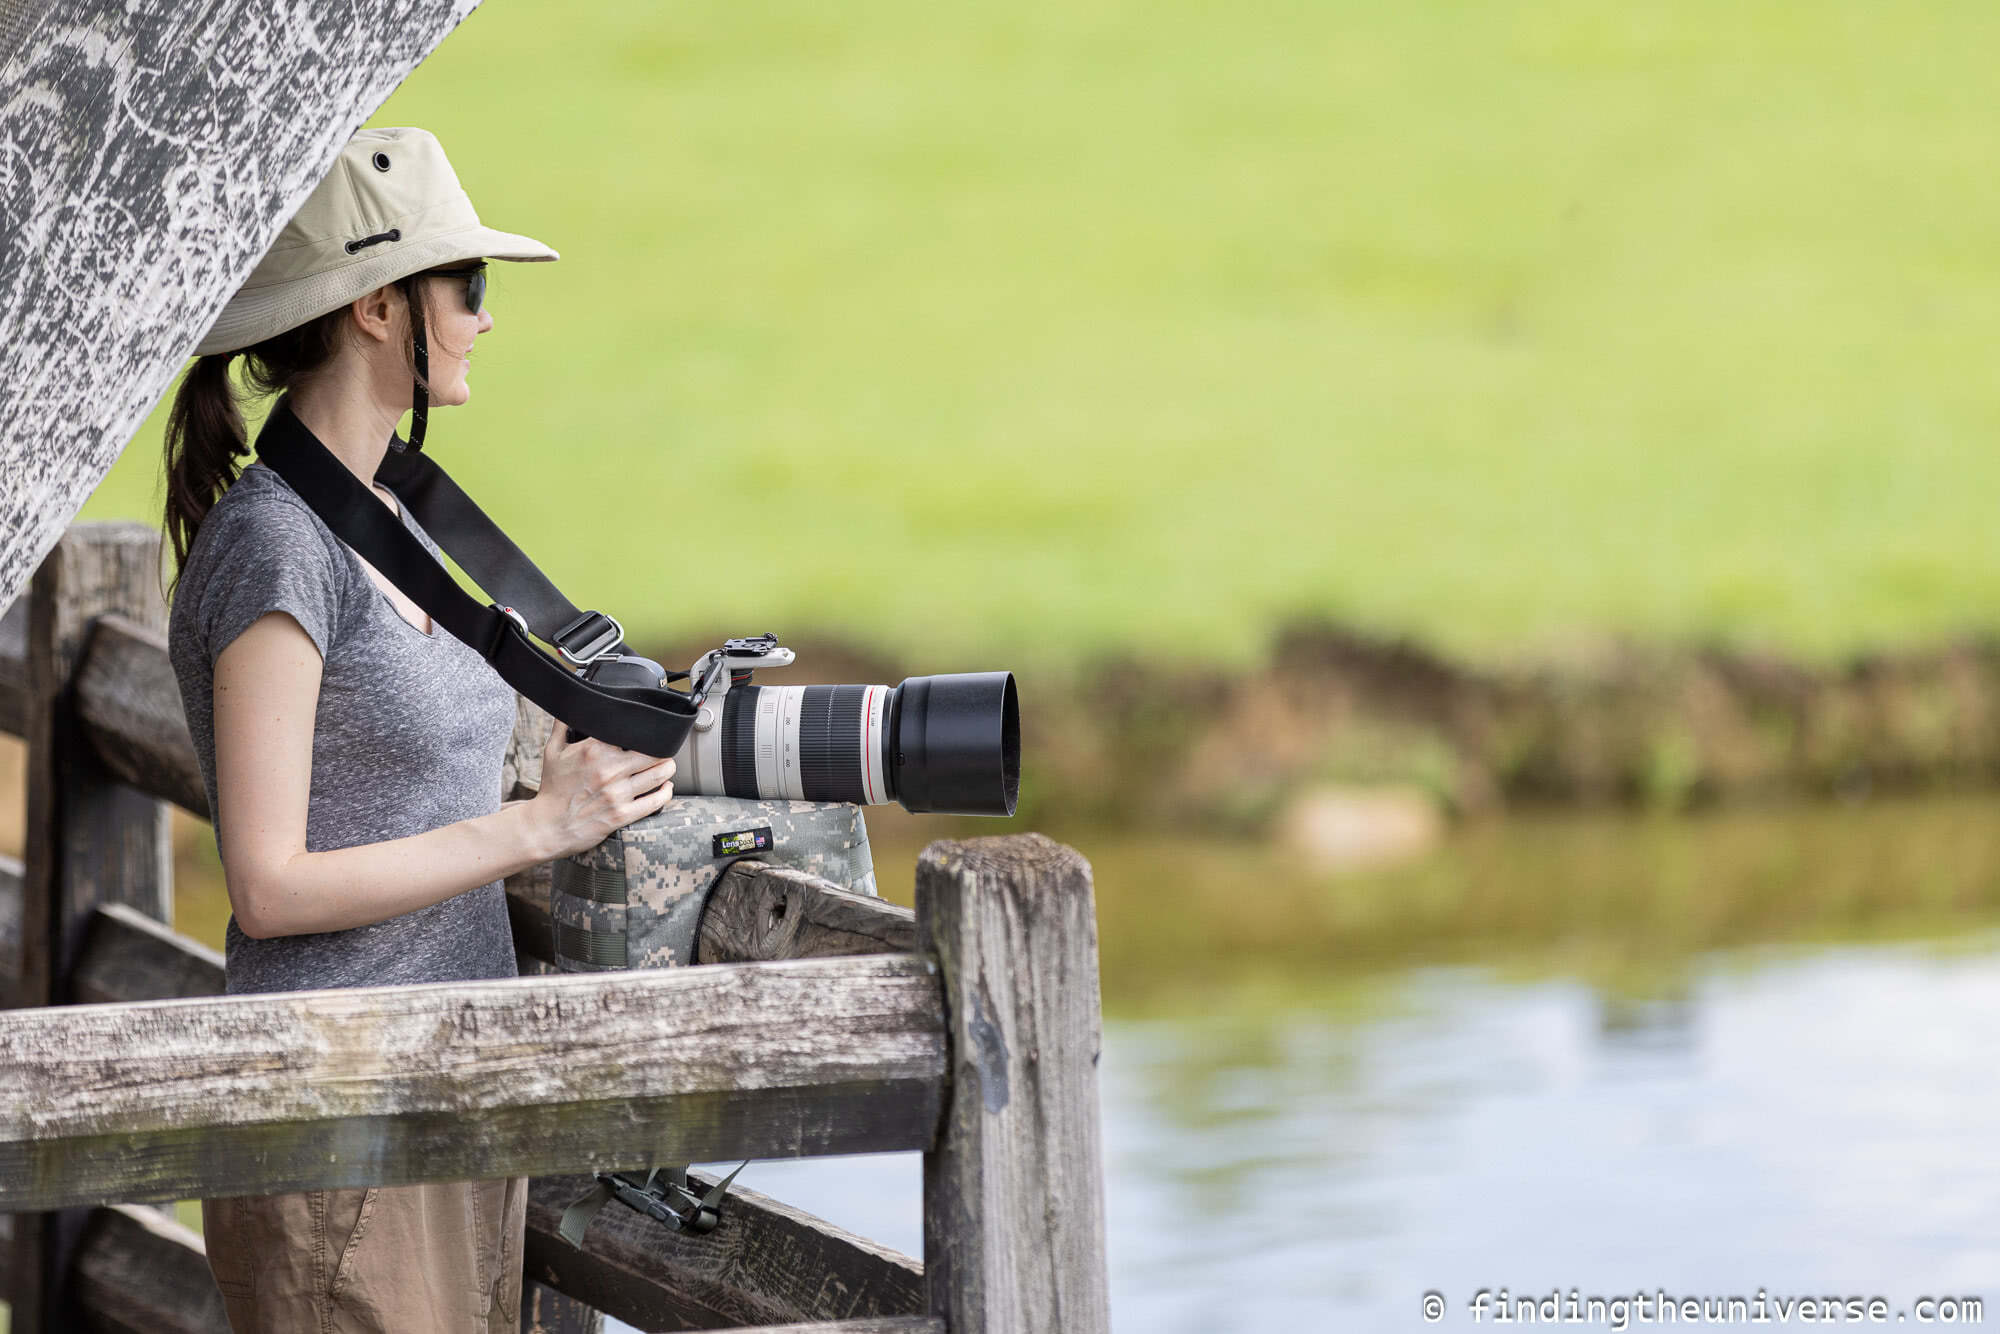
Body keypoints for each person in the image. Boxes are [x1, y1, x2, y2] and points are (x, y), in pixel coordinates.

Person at [162, 126, 677, 1333]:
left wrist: (555, 779)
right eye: (470, 286)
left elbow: (409, 775)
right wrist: (538, 825)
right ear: (380, 308)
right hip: (336, 1120)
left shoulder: (392, 510)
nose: (487, 318)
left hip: (444, 1099)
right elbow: (270, 884)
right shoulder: (278, 546)